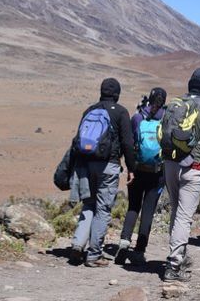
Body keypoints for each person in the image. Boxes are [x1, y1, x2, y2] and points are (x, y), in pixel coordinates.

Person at [162, 68, 200, 282]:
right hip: (194, 167)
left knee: (176, 213)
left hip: (169, 163)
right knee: (184, 216)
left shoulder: (176, 103)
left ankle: (177, 255)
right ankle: (174, 265)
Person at [71, 78, 136, 267]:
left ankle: (77, 244)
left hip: (85, 165)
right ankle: (94, 255)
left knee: (88, 204)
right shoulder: (121, 112)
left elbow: (77, 140)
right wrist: (131, 168)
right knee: (103, 209)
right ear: (117, 93)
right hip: (109, 166)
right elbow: (127, 143)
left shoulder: (90, 110)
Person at [115, 87, 167, 266]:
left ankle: (124, 241)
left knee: (133, 207)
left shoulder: (137, 117)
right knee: (148, 212)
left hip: (137, 169)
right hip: (157, 172)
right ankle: (139, 251)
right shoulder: (166, 119)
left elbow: (129, 144)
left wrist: (130, 167)